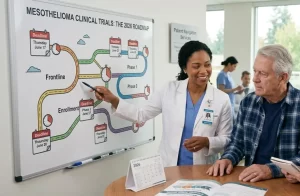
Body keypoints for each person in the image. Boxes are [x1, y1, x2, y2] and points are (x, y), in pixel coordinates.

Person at [91, 41, 233, 167]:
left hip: (205, 169)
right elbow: (141, 115)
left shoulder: (222, 99)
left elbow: (227, 139)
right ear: (185, 68)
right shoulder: (169, 90)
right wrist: (113, 99)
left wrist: (207, 141)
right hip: (169, 167)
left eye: (207, 65)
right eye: (196, 66)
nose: (203, 71)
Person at [206, 44, 300, 183]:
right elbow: (237, 143)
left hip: (287, 185)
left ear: (283, 77)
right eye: (255, 71)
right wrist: (228, 158)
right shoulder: (248, 102)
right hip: (252, 182)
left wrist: (270, 170)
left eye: (263, 73)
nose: (255, 79)